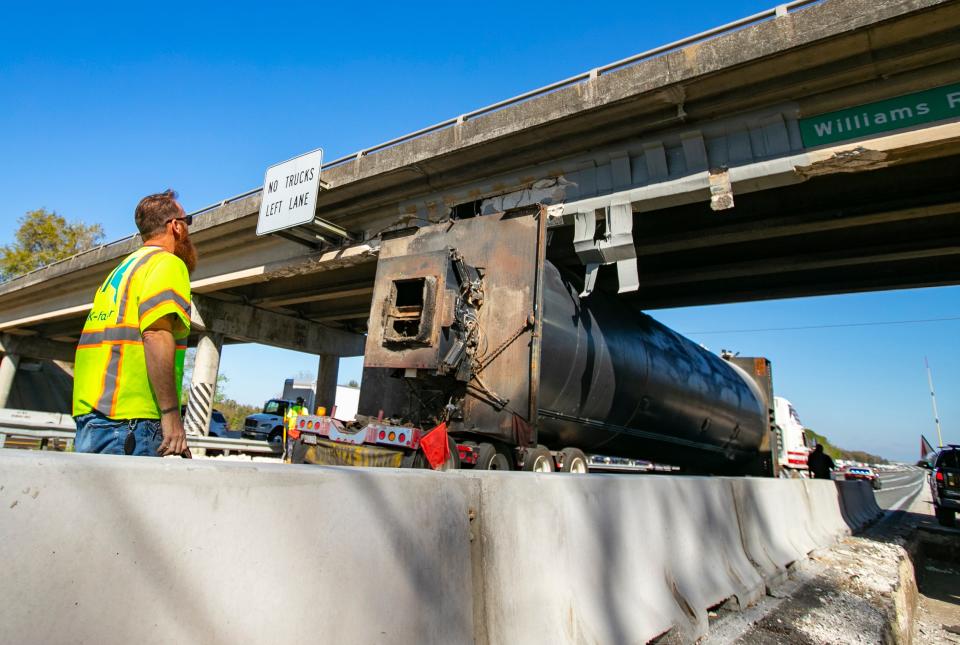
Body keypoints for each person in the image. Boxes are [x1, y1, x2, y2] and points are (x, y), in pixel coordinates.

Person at [72, 190, 197, 457]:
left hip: (92, 420)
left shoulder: (123, 269)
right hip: (133, 422)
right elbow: (155, 334)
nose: (187, 229)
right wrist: (171, 416)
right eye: (188, 222)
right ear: (175, 226)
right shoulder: (167, 263)